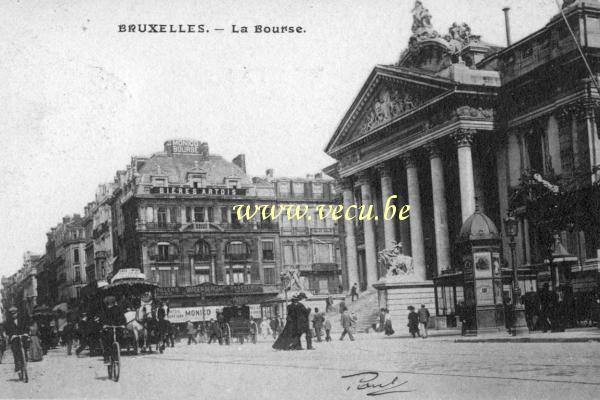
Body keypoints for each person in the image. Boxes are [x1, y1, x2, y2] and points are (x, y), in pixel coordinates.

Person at [100, 296, 126, 364]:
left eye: (111, 303)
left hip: (117, 326)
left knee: (120, 337)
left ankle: (117, 353)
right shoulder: (104, 310)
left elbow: (122, 317)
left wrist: (123, 324)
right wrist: (104, 325)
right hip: (108, 327)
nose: (110, 305)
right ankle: (106, 357)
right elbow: (102, 319)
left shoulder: (118, 309)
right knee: (106, 340)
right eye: (108, 303)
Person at [5, 307, 30, 374]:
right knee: (16, 352)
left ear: (17, 313)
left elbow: (26, 327)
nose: (14, 315)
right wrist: (11, 335)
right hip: (14, 338)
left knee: (25, 348)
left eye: (15, 313)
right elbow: (7, 331)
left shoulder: (22, 320)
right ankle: (17, 367)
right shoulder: (8, 322)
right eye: (12, 314)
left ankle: (25, 360)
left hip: (22, 336)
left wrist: (26, 333)